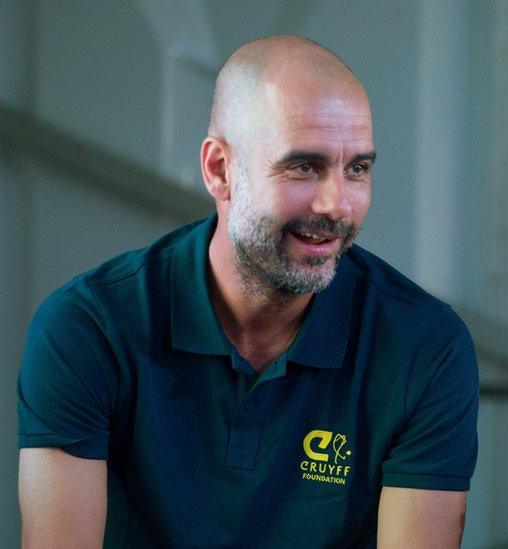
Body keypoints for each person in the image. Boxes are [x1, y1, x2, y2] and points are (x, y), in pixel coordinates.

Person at [18, 36, 478, 548]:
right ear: (220, 170)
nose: (338, 205)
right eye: (304, 166)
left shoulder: (424, 344)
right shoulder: (90, 326)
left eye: (358, 169)